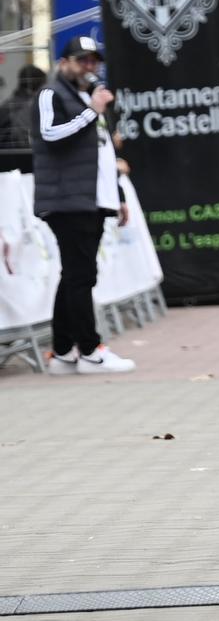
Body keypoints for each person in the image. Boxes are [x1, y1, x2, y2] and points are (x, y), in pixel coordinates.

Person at [31, 37, 135, 374]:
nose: (89, 67)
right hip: (66, 201)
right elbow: (50, 135)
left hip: (92, 201)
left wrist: (116, 197)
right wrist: (93, 111)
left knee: (74, 276)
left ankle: (62, 353)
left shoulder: (86, 100)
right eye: (82, 60)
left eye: (94, 61)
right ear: (64, 63)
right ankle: (90, 350)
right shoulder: (52, 94)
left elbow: (104, 152)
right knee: (81, 276)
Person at [0, 64, 47, 173]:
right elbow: (26, 142)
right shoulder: (32, 106)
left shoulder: (8, 104)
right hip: (24, 167)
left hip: (5, 165)